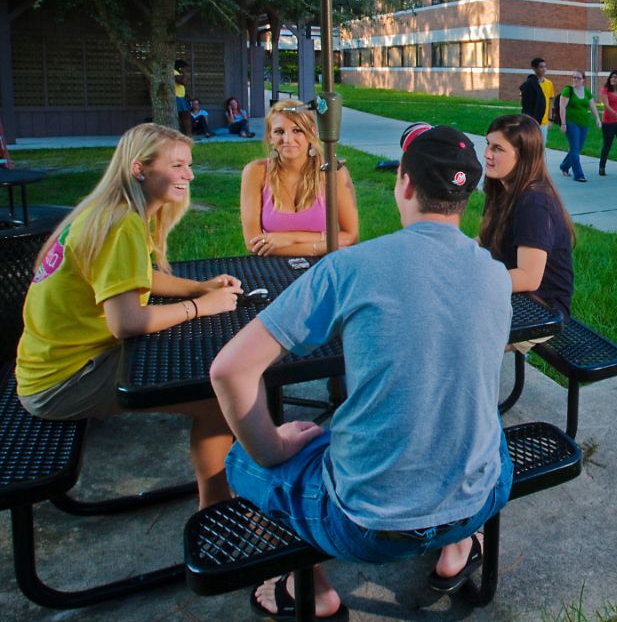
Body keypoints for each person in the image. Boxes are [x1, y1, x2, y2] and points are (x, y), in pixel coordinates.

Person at [211, 124, 512, 619]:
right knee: (483, 420)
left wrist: (276, 447)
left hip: (366, 528)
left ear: (406, 185)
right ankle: (458, 549)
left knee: (243, 460)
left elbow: (229, 371)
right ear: (465, 197)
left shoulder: (350, 267)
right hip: (479, 499)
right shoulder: (495, 275)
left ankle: (311, 587)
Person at [15, 123, 243, 509]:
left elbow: (132, 278)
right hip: (60, 382)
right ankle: (218, 510)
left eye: (188, 165)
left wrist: (198, 287)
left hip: (47, 366)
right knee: (216, 398)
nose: (189, 175)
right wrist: (200, 307)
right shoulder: (122, 224)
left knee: (195, 361)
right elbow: (126, 323)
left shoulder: (108, 213)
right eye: (177, 165)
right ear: (140, 169)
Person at [479, 113, 574, 352]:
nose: (487, 154)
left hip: (543, 308)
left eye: (497, 148)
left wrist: (473, 280)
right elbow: (482, 242)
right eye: (488, 144)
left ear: (522, 157)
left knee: (460, 341)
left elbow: (529, 277)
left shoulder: (535, 203)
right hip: (515, 295)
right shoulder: (502, 189)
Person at [240, 100, 359, 257]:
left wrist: (289, 238)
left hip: (323, 266)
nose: (288, 139)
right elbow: (253, 243)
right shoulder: (255, 172)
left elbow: (351, 236)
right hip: (272, 269)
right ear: (270, 136)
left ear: (311, 133)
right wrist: (323, 245)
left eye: (297, 130)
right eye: (279, 132)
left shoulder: (333, 172)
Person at [557, 69, 601, 183]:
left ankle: (564, 166)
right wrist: (563, 123)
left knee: (577, 149)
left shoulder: (586, 92)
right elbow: (562, 107)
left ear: (583, 80)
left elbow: (592, 106)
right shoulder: (568, 90)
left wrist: (597, 119)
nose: (575, 80)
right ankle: (579, 174)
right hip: (571, 123)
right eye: (574, 77)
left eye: (578, 78)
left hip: (584, 123)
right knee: (575, 148)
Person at [518, 57, 555, 140]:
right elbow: (522, 102)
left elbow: (550, 102)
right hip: (532, 120)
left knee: (542, 147)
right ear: (534, 68)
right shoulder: (529, 84)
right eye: (541, 67)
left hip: (544, 122)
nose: (544, 69)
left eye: (545, 67)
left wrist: (550, 119)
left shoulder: (549, 84)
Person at [174, 59, 193, 136]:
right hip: (177, 98)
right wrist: (184, 73)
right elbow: (183, 82)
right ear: (180, 67)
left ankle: (188, 134)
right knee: (185, 117)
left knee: (185, 117)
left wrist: (187, 95)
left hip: (181, 97)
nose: (186, 70)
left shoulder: (178, 73)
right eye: (185, 68)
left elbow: (184, 83)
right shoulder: (174, 72)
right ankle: (188, 134)